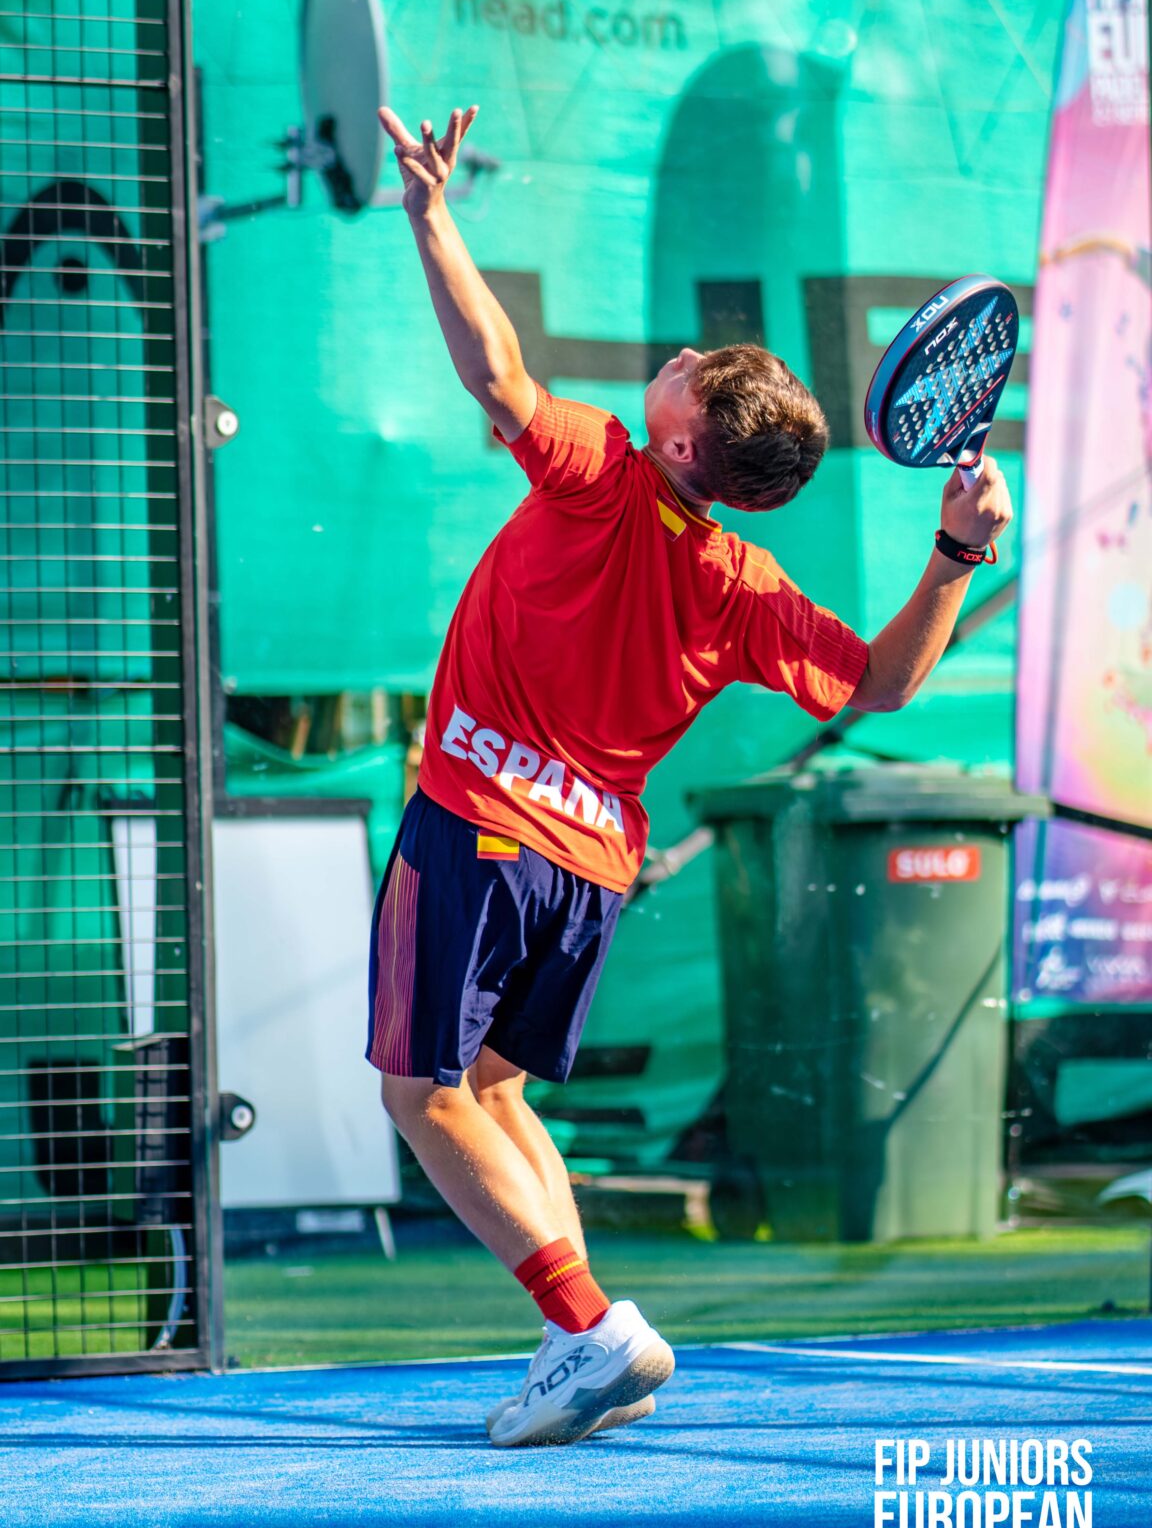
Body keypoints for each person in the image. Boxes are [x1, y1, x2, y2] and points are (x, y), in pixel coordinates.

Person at [370, 102, 1014, 1449]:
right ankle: (577, 1340)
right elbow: (883, 683)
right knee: (497, 1091)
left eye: (694, 369)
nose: (675, 357)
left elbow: (495, 374)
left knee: (422, 1096)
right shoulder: (743, 582)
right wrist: (955, 554)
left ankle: (586, 1327)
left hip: (477, 827)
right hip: (587, 874)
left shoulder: (601, 473)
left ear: (678, 444)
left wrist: (431, 218)